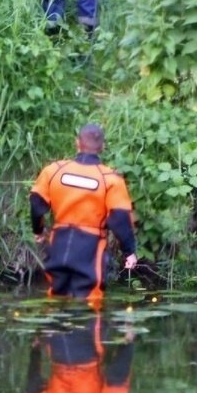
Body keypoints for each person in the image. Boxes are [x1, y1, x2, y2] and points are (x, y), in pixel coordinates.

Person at [30, 123, 138, 302]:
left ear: (77, 143)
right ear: (102, 147)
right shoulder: (110, 179)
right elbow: (119, 218)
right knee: (91, 298)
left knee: (56, 295)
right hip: (90, 246)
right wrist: (129, 251)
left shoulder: (54, 170)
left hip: (59, 243)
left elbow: (36, 202)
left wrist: (38, 230)